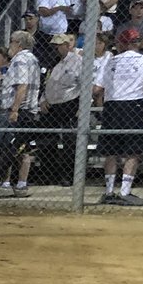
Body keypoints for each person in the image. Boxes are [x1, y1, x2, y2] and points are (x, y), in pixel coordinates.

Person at [94, 28, 143, 206]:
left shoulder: (110, 61)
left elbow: (97, 89)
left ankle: (109, 191)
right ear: (136, 43)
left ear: (121, 44)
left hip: (113, 105)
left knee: (111, 150)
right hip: (134, 105)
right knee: (133, 150)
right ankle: (124, 191)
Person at [0, 30, 40, 197]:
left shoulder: (21, 59)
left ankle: (0, 185)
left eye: (12, 41)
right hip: (26, 111)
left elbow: (22, 85)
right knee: (19, 149)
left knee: (8, 148)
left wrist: (15, 109)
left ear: (19, 44)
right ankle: (18, 185)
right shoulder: (32, 59)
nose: (10, 45)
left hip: (21, 111)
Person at [39, 34, 83, 185]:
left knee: (69, 142)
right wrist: (42, 100)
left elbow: (85, 85)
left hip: (69, 104)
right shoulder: (52, 63)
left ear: (66, 45)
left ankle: (67, 176)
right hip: (50, 105)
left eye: (57, 45)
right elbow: (45, 84)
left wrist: (81, 107)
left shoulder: (77, 61)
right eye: (53, 46)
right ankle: (48, 175)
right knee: (46, 140)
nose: (55, 48)